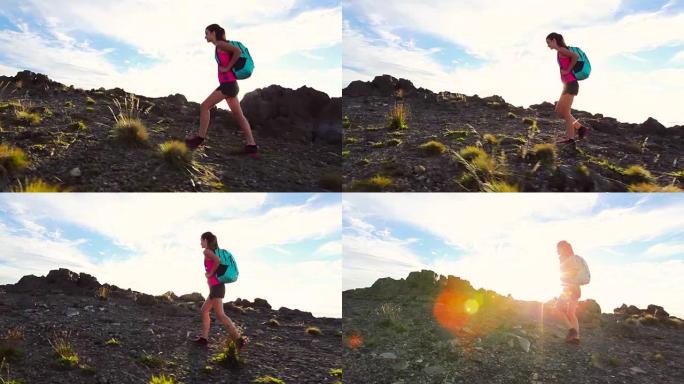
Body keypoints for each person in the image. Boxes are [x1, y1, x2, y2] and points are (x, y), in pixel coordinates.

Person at [185, 24, 258, 155]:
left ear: (213, 33)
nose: (205, 36)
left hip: (228, 85)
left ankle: (199, 138)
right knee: (239, 115)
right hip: (230, 85)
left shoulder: (220, 44)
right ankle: (251, 146)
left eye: (207, 33)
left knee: (204, 106)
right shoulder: (219, 46)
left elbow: (238, 51)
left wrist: (228, 67)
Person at [192, 231, 247, 349]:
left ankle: (239, 339)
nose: (200, 243)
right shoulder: (211, 251)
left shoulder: (207, 251)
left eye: (201, 240)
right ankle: (204, 338)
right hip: (216, 287)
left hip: (217, 287)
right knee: (204, 310)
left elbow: (217, 260)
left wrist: (210, 273)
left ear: (206, 240)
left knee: (220, 315)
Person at [546, 32, 588, 144]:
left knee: (565, 111)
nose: (548, 45)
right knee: (559, 110)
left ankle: (570, 139)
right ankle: (580, 128)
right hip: (567, 85)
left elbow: (576, 56)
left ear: (554, 40)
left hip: (571, 84)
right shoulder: (560, 51)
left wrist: (568, 70)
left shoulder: (562, 50)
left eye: (549, 42)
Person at [557, 240, 581, 344]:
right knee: (571, 313)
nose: (557, 250)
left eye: (558, 248)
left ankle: (572, 331)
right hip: (576, 288)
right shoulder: (574, 258)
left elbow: (567, 273)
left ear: (563, 248)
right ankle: (576, 338)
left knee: (558, 309)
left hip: (568, 288)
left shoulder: (564, 258)